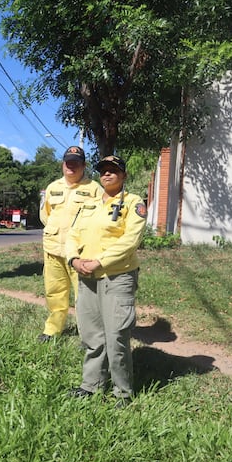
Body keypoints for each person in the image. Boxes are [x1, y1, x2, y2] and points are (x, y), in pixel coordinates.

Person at [65, 155, 148, 407]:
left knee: (117, 336)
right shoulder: (88, 204)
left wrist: (99, 261)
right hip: (87, 276)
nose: (107, 174)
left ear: (123, 176)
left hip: (117, 276)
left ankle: (122, 393)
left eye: (114, 170)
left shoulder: (133, 203)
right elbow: (72, 235)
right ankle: (91, 386)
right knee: (92, 335)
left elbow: (130, 241)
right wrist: (74, 259)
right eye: (103, 170)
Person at [38, 146, 102, 342]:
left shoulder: (94, 189)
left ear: (84, 165)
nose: (71, 166)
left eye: (76, 163)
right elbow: (45, 215)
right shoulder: (52, 187)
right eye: (68, 162)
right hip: (53, 249)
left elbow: (100, 220)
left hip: (80, 253)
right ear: (62, 164)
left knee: (84, 296)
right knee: (54, 292)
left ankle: (88, 335)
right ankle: (52, 329)